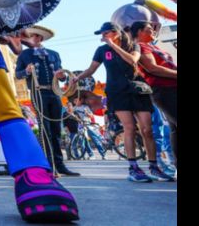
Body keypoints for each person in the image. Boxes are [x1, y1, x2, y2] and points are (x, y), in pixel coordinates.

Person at [73, 22, 171, 181]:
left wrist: (113, 46)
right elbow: (91, 70)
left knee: (147, 129)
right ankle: (133, 168)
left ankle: (154, 167)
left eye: (106, 33)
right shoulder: (102, 50)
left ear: (115, 33)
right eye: (102, 34)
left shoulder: (133, 46)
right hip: (117, 92)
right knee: (129, 128)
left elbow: (132, 61)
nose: (103, 37)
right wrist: (77, 78)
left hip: (137, 90)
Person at [15, 26, 79, 176]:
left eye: (34, 37)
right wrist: (27, 72)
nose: (31, 39)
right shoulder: (25, 55)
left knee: (57, 129)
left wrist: (62, 76)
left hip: (54, 93)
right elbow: (18, 75)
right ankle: (48, 164)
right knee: (45, 129)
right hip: (38, 93)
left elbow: (61, 76)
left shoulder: (54, 54)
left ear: (40, 38)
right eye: (30, 37)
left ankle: (60, 164)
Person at [131, 21, 177, 168]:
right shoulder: (141, 47)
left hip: (172, 87)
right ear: (139, 32)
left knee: (174, 128)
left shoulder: (153, 46)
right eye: (149, 29)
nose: (153, 31)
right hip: (163, 90)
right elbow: (152, 68)